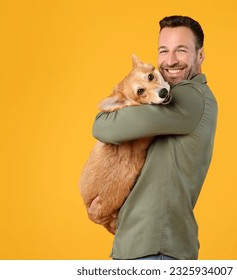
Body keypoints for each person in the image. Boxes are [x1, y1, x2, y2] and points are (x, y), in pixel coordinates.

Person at [90, 15, 218, 260]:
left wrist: (128, 100)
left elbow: (103, 127)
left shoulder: (190, 97)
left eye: (181, 50)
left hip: (157, 250)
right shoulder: (167, 98)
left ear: (200, 55)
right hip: (138, 245)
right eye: (163, 50)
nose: (170, 61)